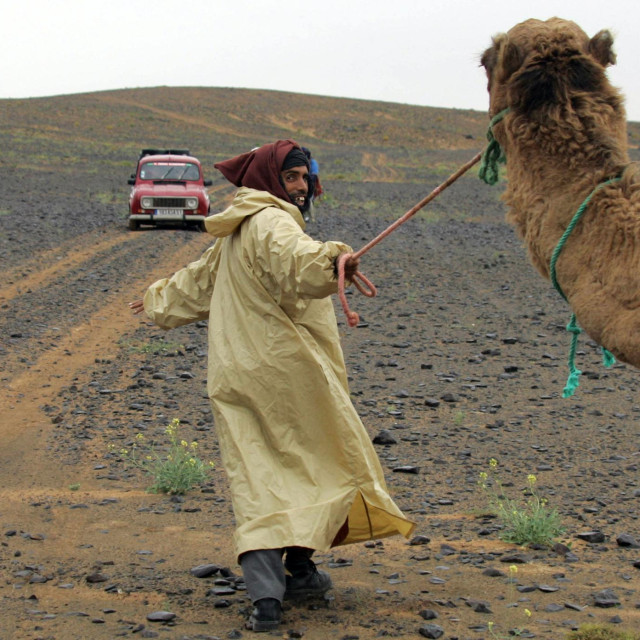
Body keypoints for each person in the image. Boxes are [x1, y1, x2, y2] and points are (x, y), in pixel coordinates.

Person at [129, 139, 415, 633]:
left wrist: (156, 299)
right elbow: (296, 259)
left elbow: (198, 283)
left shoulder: (238, 230)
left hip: (238, 374)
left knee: (260, 474)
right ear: (269, 181)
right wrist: (333, 259)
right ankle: (295, 574)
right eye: (291, 179)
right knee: (312, 461)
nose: (302, 187)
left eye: (305, 178)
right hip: (286, 376)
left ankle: (278, 590)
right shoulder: (273, 222)